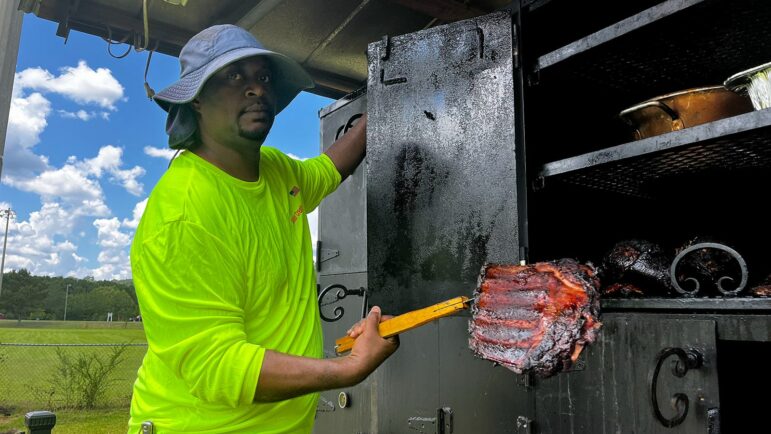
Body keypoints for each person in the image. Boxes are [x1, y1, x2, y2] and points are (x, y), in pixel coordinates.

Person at [128, 24, 398, 434]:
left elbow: (326, 171)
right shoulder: (184, 215)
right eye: (234, 76)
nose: (256, 89)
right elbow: (217, 366)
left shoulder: (274, 170)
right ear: (196, 100)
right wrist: (347, 369)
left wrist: (376, 116)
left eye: (264, 77)